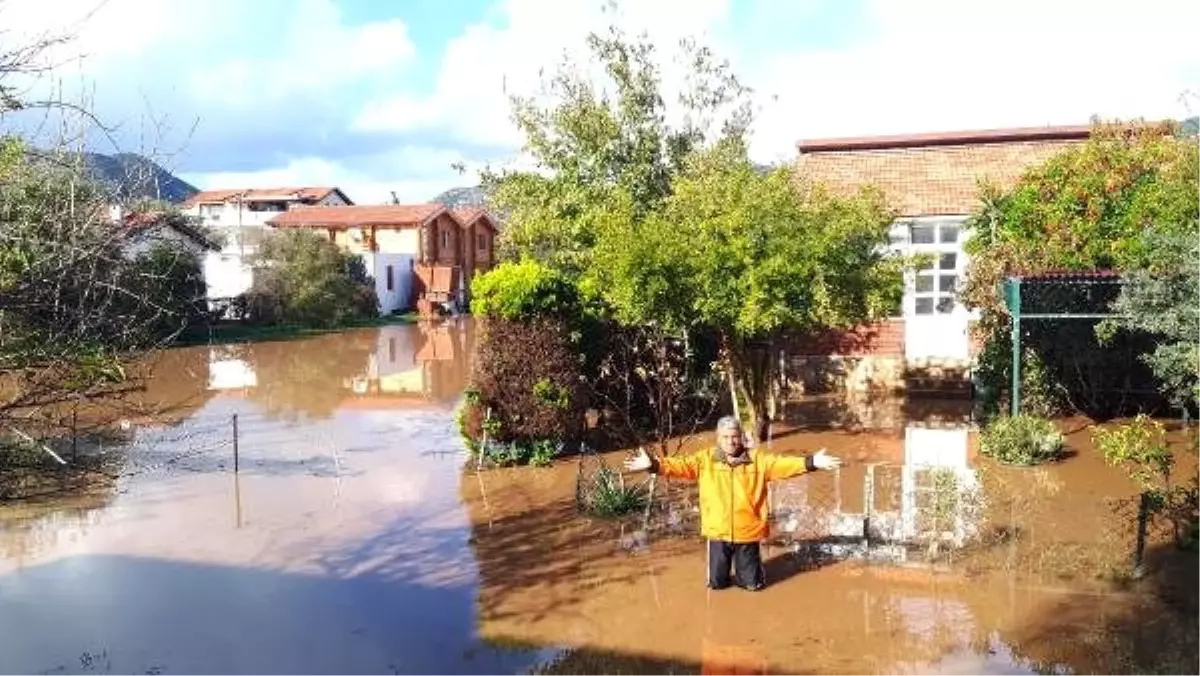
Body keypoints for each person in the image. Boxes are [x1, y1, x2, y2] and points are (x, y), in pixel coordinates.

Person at [623, 415, 842, 591]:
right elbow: (678, 466)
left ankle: (752, 575)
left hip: (747, 532)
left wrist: (812, 461)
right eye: (726, 437)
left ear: (742, 437)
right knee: (716, 585)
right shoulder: (704, 460)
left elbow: (784, 464)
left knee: (752, 586)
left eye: (735, 436)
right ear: (718, 438)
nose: (731, 441)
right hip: (717, 532)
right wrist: (652, 464)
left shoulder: (759, 460)